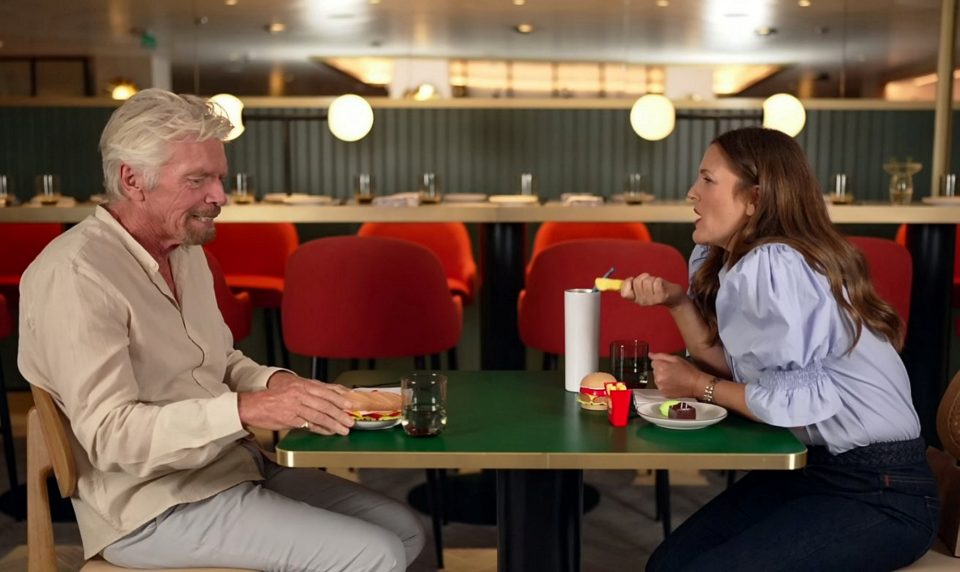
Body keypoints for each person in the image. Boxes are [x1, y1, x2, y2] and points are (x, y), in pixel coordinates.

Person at [18, 88, 424, 571]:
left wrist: (279, 385)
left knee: (405, 531)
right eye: (198, 180)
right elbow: (111, 436)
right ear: (132, 180)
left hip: (230, 470)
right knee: (372, 555)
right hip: (152, 507)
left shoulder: (185, 253)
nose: (219, 197)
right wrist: (246, 409)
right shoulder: (76, 275)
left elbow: (219, 360)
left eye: (218, 178)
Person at [621, 127, 939, 571]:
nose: (692, 192)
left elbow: (796, 400)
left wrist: (698, 384)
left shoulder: (776, 264)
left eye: (707, 180)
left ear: (755, 198)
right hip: (820, 473)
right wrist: (677, 301)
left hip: (882, 493)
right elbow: (740, 367)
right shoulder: (758, 261)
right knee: (668, 564)